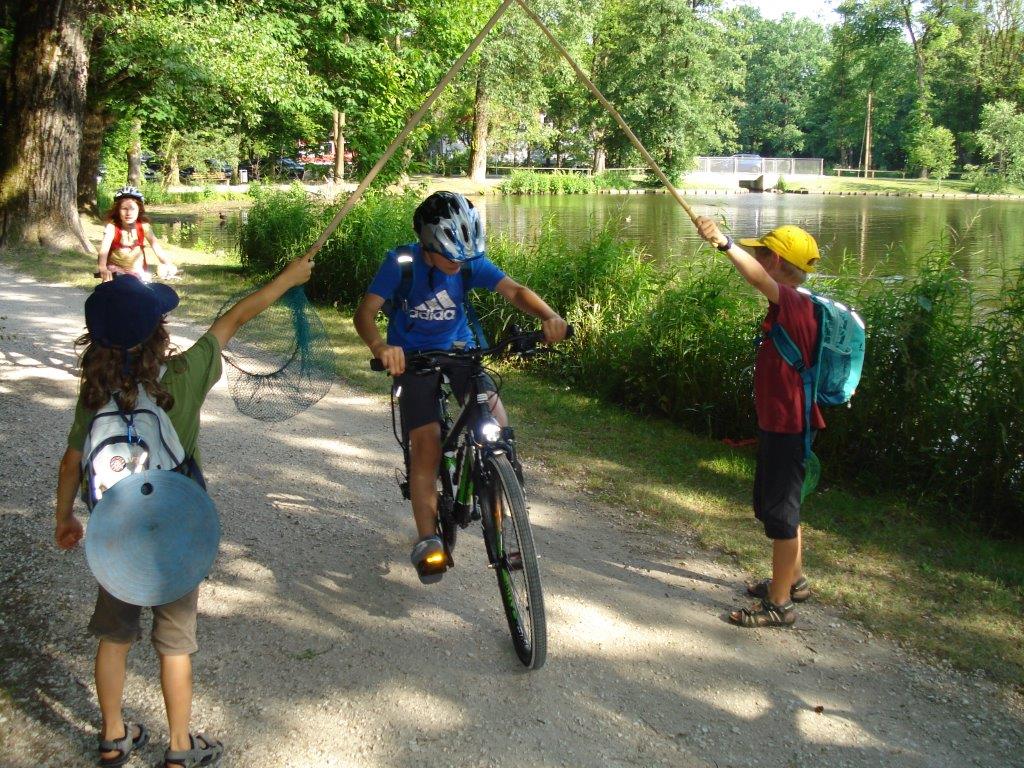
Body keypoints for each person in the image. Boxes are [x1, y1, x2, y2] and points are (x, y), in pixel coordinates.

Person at [54, 254, 313, 767]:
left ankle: (113, 737)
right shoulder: (185, 374)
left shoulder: (96, 392)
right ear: (158, 333)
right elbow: (234, 318)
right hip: (175, 529)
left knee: (114, 635)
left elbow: (71, 462)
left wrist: (66, 518)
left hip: (116, 534)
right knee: (174, 643)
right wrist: (287, 278)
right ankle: (178, 748)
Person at [354, 191, 568, 581]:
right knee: (428, 446)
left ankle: (505, 513)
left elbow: (515, 291)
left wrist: (549, 315)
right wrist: (381, 346)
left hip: (460, 352)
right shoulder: (399, 264)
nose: (459, 264)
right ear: (427, 247)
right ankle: (427, 540)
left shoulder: (470, 264)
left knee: (497, 425)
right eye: (451, 257)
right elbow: (365, 313)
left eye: (464, 257)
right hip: (413, 359)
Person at [695, 217, 822, 628]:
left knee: (781, 514)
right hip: (783, 422)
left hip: (789, 425)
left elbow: (756, 280)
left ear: (777, 260)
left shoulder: (794, 302)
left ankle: (780, 603)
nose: (754, 257)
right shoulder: (793, 304)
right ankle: (795, 580)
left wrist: (724, 243)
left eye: (760, 253)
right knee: (783, 508)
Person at [97, 186, 177, 282]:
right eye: (124, 209)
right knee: (108, 293)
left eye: (132, 209)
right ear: (118, 211)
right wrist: (103, 268)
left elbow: (157, 248)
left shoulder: (143, 226)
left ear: (139, 210)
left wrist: (168, 264)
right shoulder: (112, 227)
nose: (128, 213)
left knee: (148, 294)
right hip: (115, 272)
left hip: (138, 272)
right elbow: (103, 251)